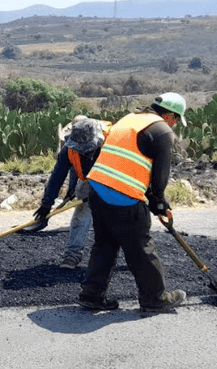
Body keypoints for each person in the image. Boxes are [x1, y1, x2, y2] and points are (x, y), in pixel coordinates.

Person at [78, 92, 189, 312]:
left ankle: (92, 295)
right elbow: (160, 177)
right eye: (176, 119)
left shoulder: (129, 119)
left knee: (104, 245)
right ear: (170, 116)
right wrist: (159, 204)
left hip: (97, 191)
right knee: (141, 248)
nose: (175, 124)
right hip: (123, 197)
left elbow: (128, 163)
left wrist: (157, 203)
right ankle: (155, 299)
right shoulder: (162, 131)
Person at [25, 115, 111, 270]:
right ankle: (72, 255)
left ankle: (137, 255)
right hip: (88, 181)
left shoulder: (113, 142)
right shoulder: (69, 150)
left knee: (122, 220)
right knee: (81, 215)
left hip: (115, 182)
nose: (84, 152)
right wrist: (47, 204)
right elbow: (57, 176)